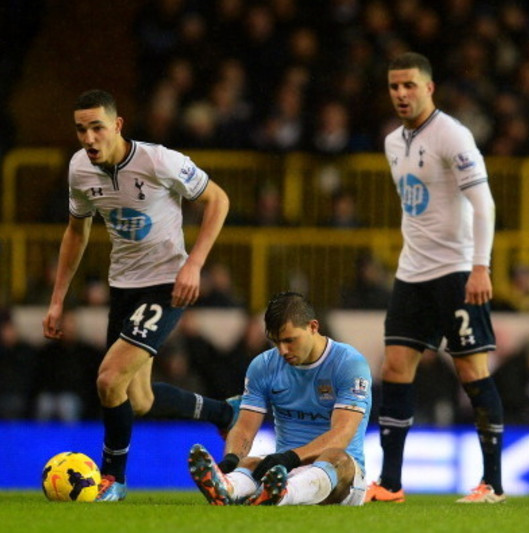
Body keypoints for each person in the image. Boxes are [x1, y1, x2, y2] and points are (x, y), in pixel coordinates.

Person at [42, 89, 237, 502]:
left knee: (109, 379)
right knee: (139, 399)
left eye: (97, 127)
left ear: (117, 125)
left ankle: (114, 480)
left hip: (167, 283)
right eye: (81, 130)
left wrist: (194, 264)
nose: (89, 138)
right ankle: (224, 412)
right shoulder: (80, 169)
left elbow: (218, 200)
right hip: (124, 286)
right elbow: (77, 232)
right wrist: (58, 299)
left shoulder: (158, 160)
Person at [366, 52, 505, 504]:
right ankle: (390, 483)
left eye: (409, 85)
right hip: (413, 272)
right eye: (394, 87)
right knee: (394, 368)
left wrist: (480, 266)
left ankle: (493, 484)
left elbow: (483, 204)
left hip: (458, 272)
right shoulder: (392, 142)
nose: (401, 94)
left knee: (471, 371)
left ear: (430, 87)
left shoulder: (452, 135)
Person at [187, 292, 372, 506]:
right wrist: (232, 459)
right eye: (276, 342)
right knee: (252, 462)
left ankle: (282, 493)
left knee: (337, 458)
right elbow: (245, 427)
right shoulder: (263, 365)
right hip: (284, 471)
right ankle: (228, 488)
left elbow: (342, 434)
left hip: (343, 480)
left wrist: (290, 458)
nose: (283, 350)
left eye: (289, 340)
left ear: (313, 327)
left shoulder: (348, 363)